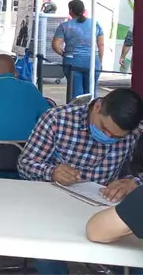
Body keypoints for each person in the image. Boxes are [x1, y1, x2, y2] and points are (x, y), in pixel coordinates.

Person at [18, 88, 143, 275]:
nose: (108, 138)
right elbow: (25, 164)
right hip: (52, 205)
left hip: (105, 205)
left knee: (131, 253)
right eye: (104, 129)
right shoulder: (57, 119)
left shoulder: (136, 131)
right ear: (98, 106)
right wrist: (52, 172)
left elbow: (139, 173)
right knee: (45, 251)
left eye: (117, 137)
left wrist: (133, 182)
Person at [52, 0, 104, 98]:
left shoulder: (65, 26)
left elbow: (55, 45)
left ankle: (76, 108)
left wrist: (64, 54)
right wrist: (100, 61)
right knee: (91, 92)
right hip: (92, 61)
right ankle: (91, 107)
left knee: (75, 93)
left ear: (70, 10)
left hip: (72, 61)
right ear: (83, 10)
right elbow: (101, 45)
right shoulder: (95, 24)